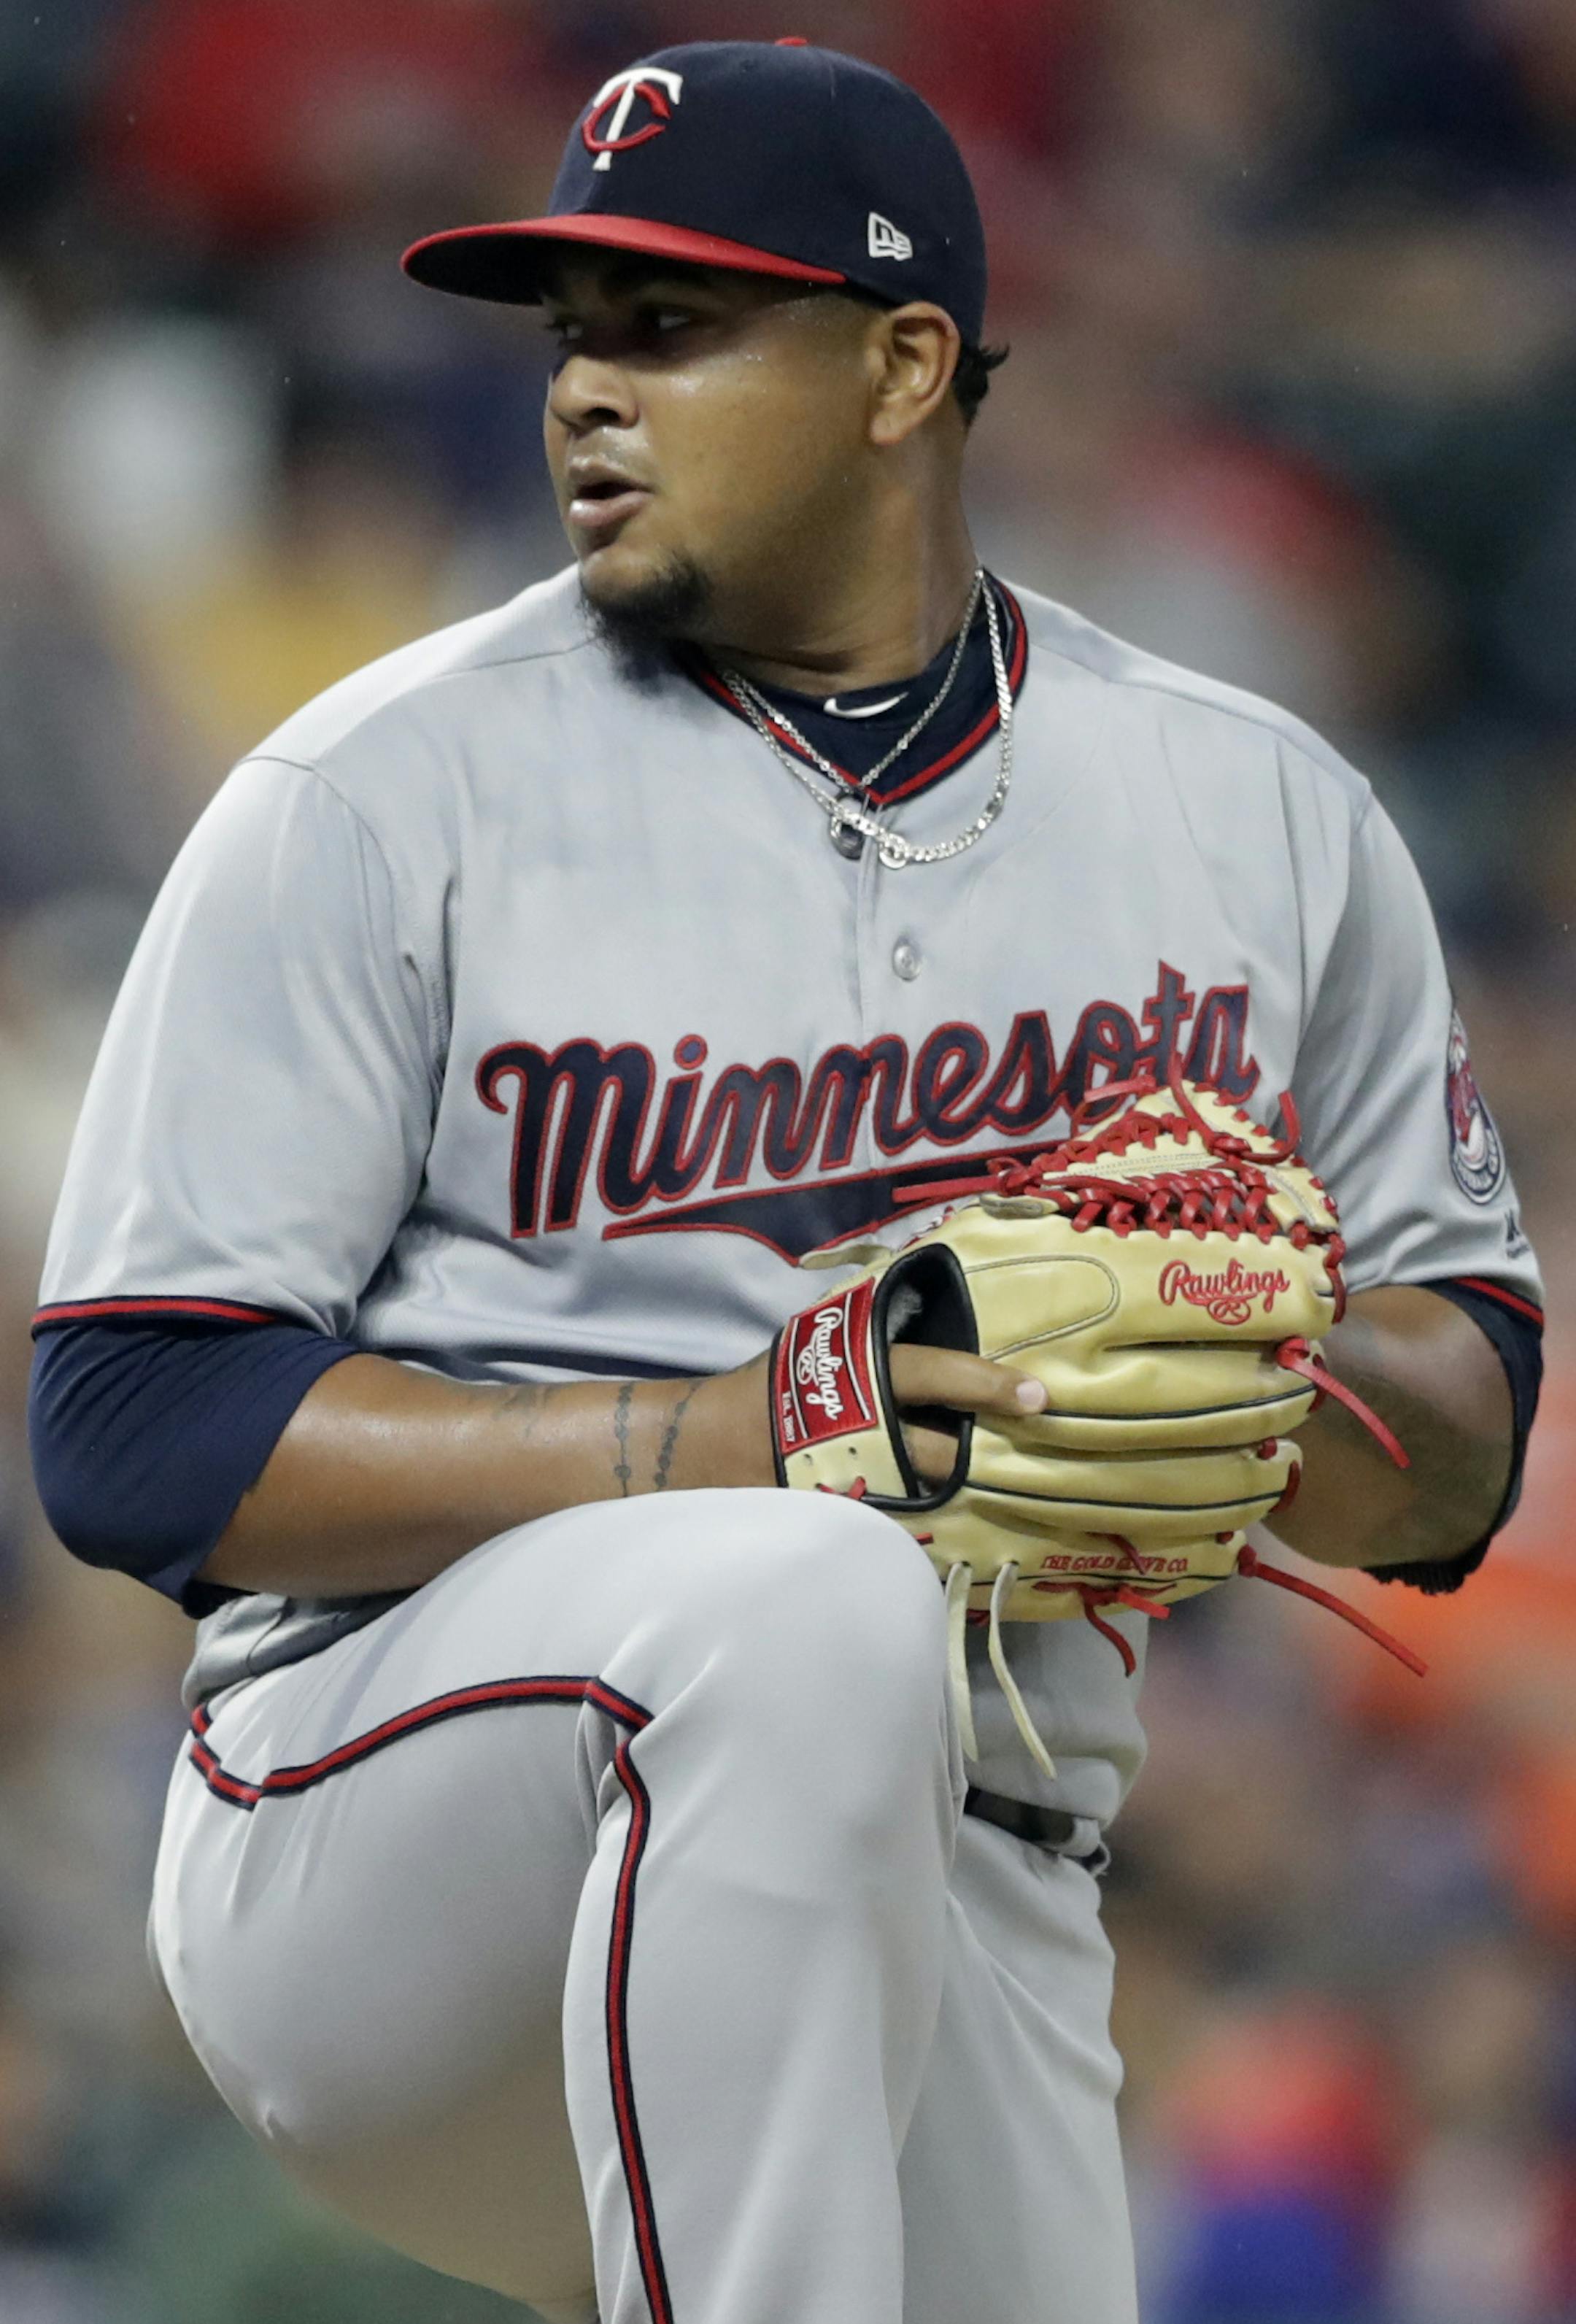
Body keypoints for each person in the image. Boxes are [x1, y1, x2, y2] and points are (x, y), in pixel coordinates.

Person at [28, 39, 1542, 2324]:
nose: (586, 400)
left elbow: (1464, 1425)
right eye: (574, 338)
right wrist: (730, 1435)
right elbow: (130, 1426)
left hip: (967, 1853)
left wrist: (1270, 1370)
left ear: (904, 366)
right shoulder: (372, 795)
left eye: (675, 327)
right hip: (387, 1811)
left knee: (878, 1698)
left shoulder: (1254, 812)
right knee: (807, 1606)